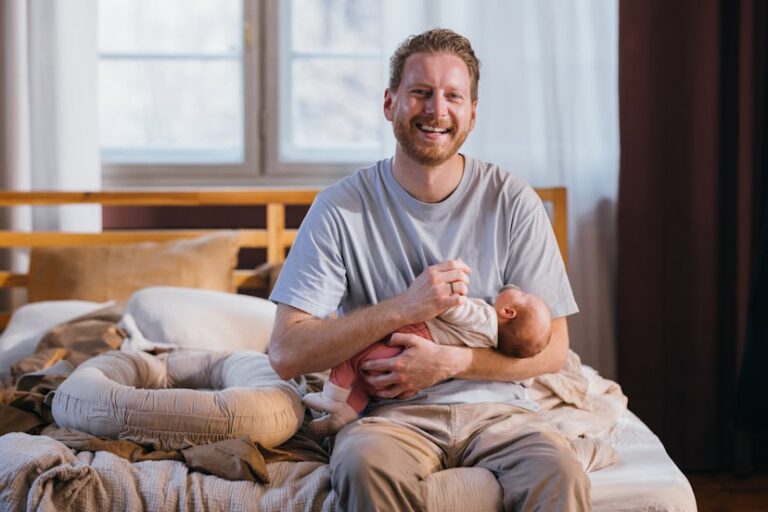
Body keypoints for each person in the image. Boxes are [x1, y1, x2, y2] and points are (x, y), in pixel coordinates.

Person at [269, 28, 590, 511]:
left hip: (501, 412)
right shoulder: (340, 208)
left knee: (561, 472)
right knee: (361, 465)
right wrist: (404, 307)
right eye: (420, 92)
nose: (436, 110)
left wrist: (453, 362)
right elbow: (286, 353)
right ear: (389, 103)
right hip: (389, 417)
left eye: (453, 96)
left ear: (472, 114)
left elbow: (555, 351)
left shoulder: (512, 201)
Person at [302, 284, 552, 437]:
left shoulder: (484, 316)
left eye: (522, 294)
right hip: (408, 376)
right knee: (365, 385)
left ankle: (332, 400)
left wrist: (451, 292)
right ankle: (343, 416)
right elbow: (526, 374)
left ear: (508, 311)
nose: (517, 288)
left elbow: (454, 310)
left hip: (411, 339)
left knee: (354, 355)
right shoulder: (499, 345)